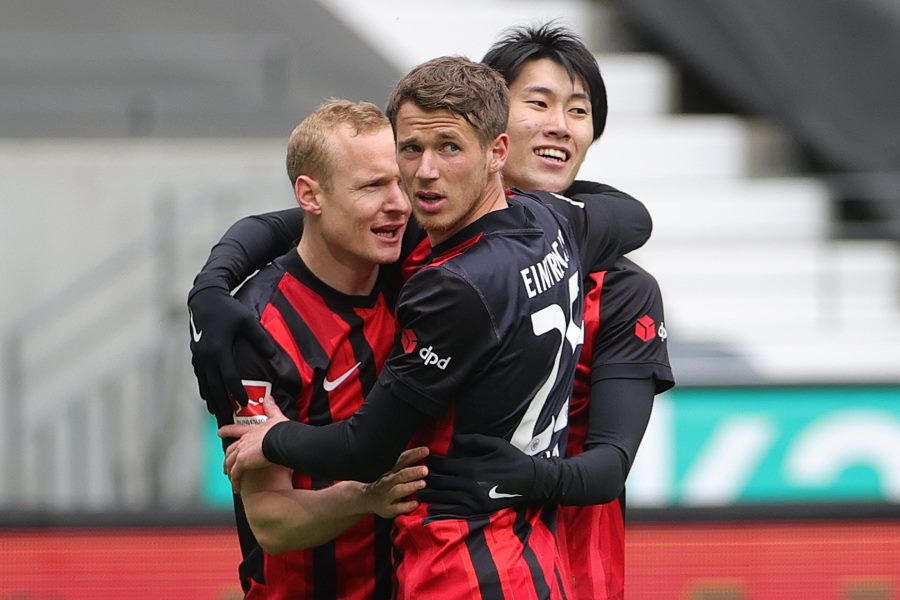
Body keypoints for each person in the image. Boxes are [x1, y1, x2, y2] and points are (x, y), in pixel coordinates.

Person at [218, 56, 643, 600]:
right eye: (409, 152)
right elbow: (630, 216)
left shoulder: (454, 285)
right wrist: (215, 278)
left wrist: (273, 438)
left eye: (449, 148)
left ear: (497, 153)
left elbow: (367, 448)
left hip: (460, 563)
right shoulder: (551, 221)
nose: (422, 176)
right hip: (532, 560)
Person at [415, 24, 675, 600]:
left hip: (569, 568)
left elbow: (610, 465)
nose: (560, 125)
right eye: (538, 103)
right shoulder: (420, 243)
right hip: (426, 559)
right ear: (486, 117)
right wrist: (219, 276)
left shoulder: (625, 288)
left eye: (578, 111)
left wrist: (519, 478)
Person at [213, 99, 431, 599]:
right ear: (310, 196)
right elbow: (271, 520)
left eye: (400, 181)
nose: (398, 203)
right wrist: (367, 498)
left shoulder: (416, 271)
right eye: (373, 186)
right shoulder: (258, 330)